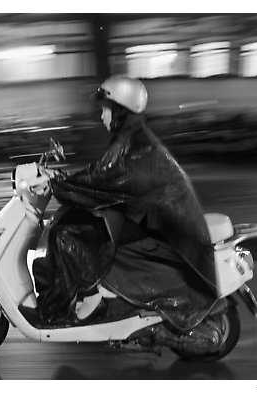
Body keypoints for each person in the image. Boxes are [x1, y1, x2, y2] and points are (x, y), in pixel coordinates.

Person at [32, 75, 222, 332]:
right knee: (74, 221)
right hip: (148, 217)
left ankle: (88, 295)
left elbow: (103, 178)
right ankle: (87, 292)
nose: (101, 116)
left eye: (105, 109)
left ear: (120, 109)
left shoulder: (136, 145)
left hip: (162, 230)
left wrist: (59, 184)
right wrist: (63, 180)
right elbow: (101, 174)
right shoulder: (131, 138)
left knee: (67, 234)